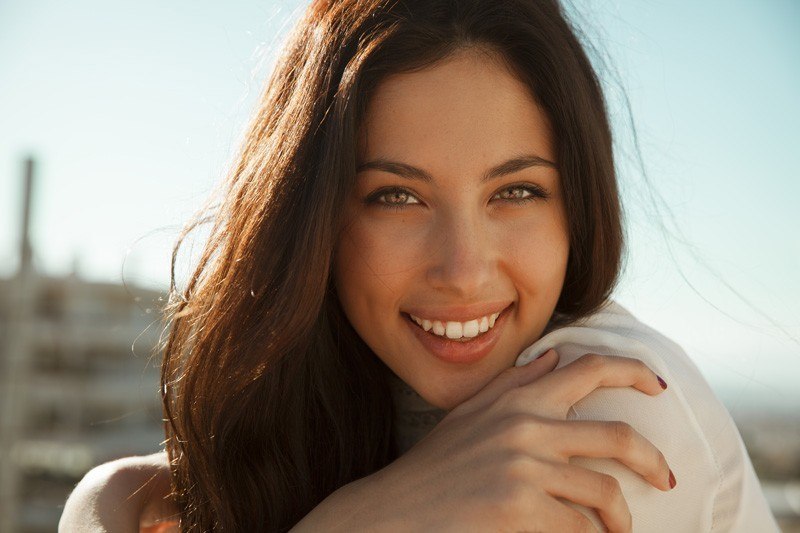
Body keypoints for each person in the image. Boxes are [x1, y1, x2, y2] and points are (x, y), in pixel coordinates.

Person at [60, 0, 778, 531]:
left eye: (516, 191)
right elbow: (119, 499)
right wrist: (102, 498)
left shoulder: (609, 412)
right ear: (315, 221)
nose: (463, 270)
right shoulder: (344, 388)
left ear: (577, 207)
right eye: (396, 196)